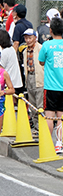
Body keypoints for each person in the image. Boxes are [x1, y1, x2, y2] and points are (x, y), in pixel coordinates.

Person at [38, 16, 63, 154]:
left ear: (51, 30)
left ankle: (48, 142)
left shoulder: (47, 45)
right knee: (61, 116)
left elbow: (41, 61)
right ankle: (59, 144)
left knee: (49, 115)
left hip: (50, 86)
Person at [22, 29, 43, 130]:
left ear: (35, 38)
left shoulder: (40, 48)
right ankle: (36, 127)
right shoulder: (25, 51)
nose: (28, 40)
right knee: (32, 104)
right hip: (29, 77)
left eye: (30, 38)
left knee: (40, 104)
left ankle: (41, 128)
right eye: (26, 38)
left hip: (39, 77)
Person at [0, 30, 23, 95]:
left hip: (10, 84)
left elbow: (0, 68)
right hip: (17, 82)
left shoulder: (4, 52)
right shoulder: (11, 49)